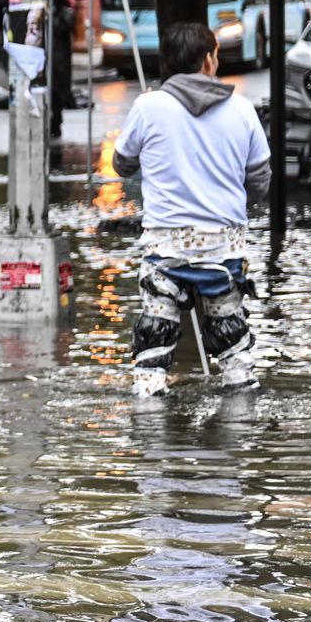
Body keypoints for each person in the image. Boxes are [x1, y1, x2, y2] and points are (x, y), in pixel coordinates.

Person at [112, 21, 271, 398]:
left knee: (151, 357)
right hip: (225, 251)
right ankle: (240, 433)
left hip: (165, 250)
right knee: (235, 356)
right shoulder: (243, 111)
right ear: (208, 60)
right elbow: (260, 182)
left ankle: (151, 437)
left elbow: (121, 164)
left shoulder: (148, 107)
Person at [48, 0, 76, 141]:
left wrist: (52, 18)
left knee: (58, 93)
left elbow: (64, 29)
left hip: (61, 60)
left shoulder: (66, 12)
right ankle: (53, 120)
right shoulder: (49, 11)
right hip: (49, 58)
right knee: (50, 93)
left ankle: (57, 121)